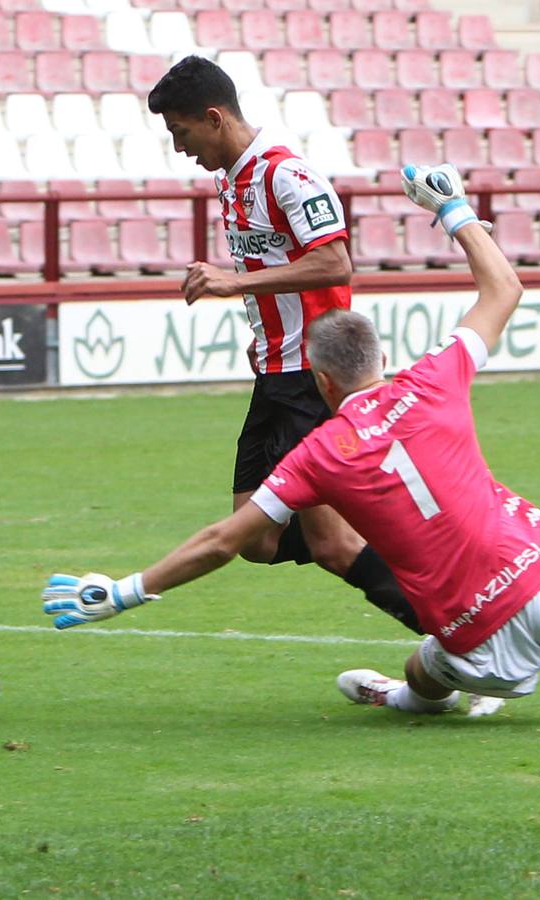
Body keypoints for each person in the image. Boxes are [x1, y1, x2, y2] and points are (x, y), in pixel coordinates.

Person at [42, 164, 540, 737]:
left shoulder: (317, 453)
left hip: (474, 638)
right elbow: (503, 289)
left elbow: (225, 540)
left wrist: (125, 592)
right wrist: (452, 210)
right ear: (380, 357)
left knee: (428, 669)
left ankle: (401, 696)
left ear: (321, 382)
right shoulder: (435, 379)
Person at [147, 55, 422, 635]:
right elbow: (275, 267)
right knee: (259, 539)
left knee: (330, 546)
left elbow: (334, 263)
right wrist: (264, 330)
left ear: (214, 118)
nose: (179, 147)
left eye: (181, 131)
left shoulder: (286, 175)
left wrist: (233, 283)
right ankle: (378, 528)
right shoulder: (231, 181)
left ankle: (459, 632)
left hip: (310, 377)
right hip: (274, 372)